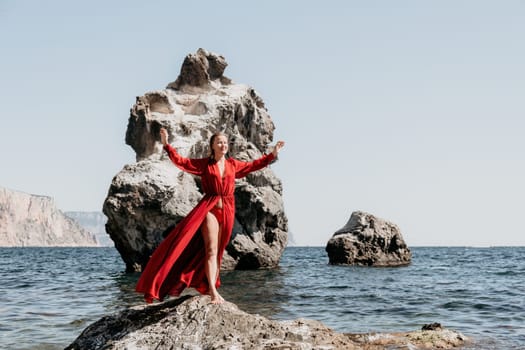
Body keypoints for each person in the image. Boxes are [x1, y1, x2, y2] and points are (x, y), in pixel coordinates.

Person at [136, 127, 285, 304]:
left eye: (225, 142)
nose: (223, 145)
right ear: (212, 146)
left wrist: (272, 153)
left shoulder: (233, 165)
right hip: (210, 208)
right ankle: (213, 292)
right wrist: (167, 145)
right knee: (211, 250)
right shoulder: (205, 164)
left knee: (219, 251)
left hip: (228, 209)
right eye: (219, 142)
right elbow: (182, 162)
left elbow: (254, 165)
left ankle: (209, 287)